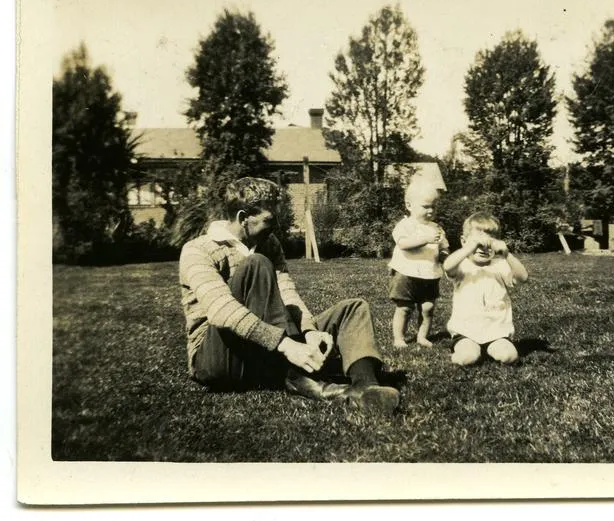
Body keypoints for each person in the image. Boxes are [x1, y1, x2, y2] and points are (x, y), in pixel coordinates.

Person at [178, 177, 400, 415]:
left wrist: (309, 331)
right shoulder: (197, 250)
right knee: (256, 265)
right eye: (269, 221)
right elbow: (222, 312)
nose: (276, 228)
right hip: (219, 360)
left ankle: (365, 387)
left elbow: (287, 292)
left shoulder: (269, 243)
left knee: (353, 308)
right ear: (243, 218)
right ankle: (299, 377)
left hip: (264, 351)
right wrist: (287, 346)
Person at [443, 212, 529, 366]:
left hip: (496, 331)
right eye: (478, 243)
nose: (483, 248)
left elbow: (523, 277)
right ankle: (461, 354)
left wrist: (507, 254)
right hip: (466, 331)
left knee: (509, 357)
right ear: (464, 241)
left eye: (489, 244)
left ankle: (490, 348)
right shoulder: (462, 265)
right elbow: (447, 266)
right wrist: (469, 248)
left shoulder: (500, 265)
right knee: (468, 357)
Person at [388, 179, 449, 348]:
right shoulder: (405, 225)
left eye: (434, 207)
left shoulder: (437, 228)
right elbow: (403, 244)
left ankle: (422, 336)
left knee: (428, 308)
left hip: (429, 273)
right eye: (425, 206)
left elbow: (444, 247)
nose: (430, 211)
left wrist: (445, 257)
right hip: (406, 273)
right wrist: (425, 240)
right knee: (404, 308)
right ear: (409, 205)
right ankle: (399, 338)